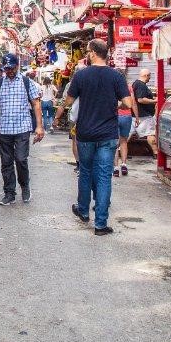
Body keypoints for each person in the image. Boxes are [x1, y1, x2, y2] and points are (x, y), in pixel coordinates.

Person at [55, 39, 132, 236]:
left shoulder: (81, 75)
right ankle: (100, 224)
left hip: (85, 133)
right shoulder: (116, 76)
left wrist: (57, 116)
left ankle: (82, 210)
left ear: (93, 53)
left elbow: (69, 101)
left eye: (88, 51)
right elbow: (128, 103)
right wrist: (117, 106)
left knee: (86, 171)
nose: (86, 54)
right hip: (107, 134)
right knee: (104, 177)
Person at [0, 53, 45, 206]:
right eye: (6, 68)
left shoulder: (26, 82)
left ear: (17, 66)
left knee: (21, 159)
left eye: (11, 68)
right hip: (4, 130)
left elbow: (36, 104)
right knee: (6, 162)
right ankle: (9, 192)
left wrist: (39, 126)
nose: (9, 71)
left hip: (22, 128)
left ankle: (25, 186)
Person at [115, 71, 139, 177]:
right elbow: (133, 103)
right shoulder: (128, 87)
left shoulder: (112, 86)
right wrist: (137, 117)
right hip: (127, 116)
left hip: (114, 116)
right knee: (124, 141)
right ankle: (124, 164)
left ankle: (115, 167)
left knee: (115, 143)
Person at [132, 69, 158, 159]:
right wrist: (155, 100)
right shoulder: (141, 85)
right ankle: (156, 153)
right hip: (144, 115)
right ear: (146, 75)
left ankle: (119, 150)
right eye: (149, 76)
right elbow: (141, 99)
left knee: (128, 134)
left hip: (138, 115)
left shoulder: (136, 83)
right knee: (150, 134)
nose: (150, 78)